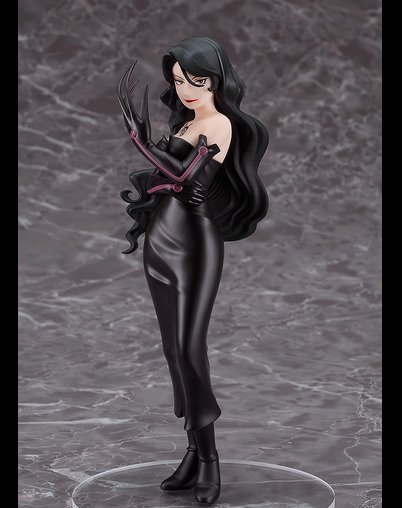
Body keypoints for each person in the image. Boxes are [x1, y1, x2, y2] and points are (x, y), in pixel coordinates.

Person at [117, 34, 269, 504]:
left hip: (195, 245)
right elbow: (168, 182)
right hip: (161, 242)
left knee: (188, 347)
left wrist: (142, 141)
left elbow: (185, 179)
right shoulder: (187, 124)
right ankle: (192, 452)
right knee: (172, 351)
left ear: (216, 80)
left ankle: (209, 460)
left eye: (195, 80)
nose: (185, 90)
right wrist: (159, 170)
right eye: (179, 80)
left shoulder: (219, 123)